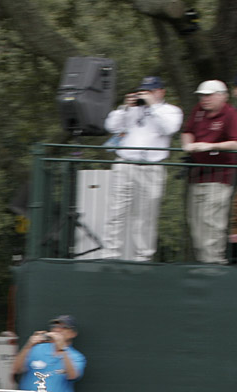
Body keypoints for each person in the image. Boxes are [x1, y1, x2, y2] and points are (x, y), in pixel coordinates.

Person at [102, 76, 183, 261]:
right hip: (124, 163)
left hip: (151, 167)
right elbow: (111, 126)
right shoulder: (132, 110)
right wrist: (124, 108)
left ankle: (143, 257)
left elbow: (169, 128)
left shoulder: (170, 111)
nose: (145, 94)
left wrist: (153, 106)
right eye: (143, 91)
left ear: (161, 92)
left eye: (150, 91)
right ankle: (110, 255)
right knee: (116, 211)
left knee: (146, 215)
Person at [181, 80, 237, 264]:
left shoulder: (230, 114)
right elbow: (187, 131)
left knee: (211, 223)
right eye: (202, 95)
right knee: (196, 224)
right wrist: (188, 145)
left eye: (208, 95)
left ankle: (214, 265)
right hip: (196, 176)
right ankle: (204, 265)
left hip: (219, 177)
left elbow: (235, 142)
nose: (204, 99)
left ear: (222, 95)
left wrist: (210, 146)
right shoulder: (198, 110)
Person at [13, 315, 86, 392]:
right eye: (55, 326)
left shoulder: (76, 356)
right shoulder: (36, 348)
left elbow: (72, 376)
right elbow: (16, 369)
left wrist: (62, 349)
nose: (58, 330)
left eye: (64, 327)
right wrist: (29, 345)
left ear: (73, 333)